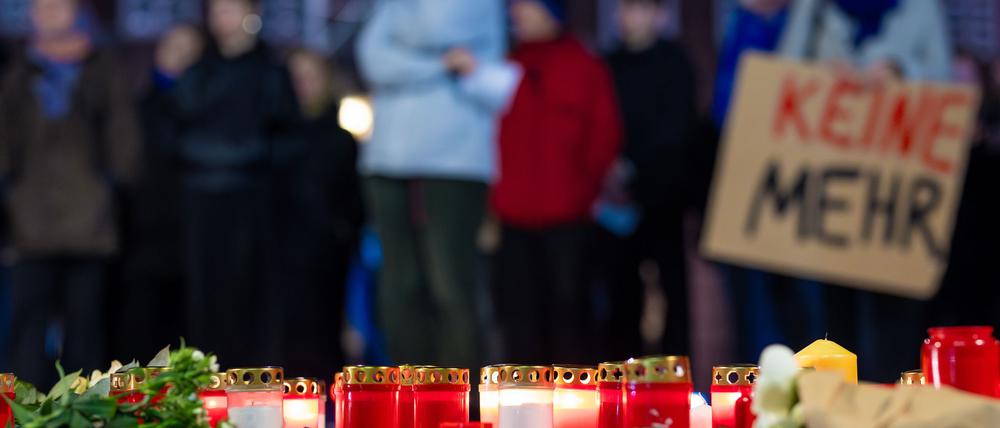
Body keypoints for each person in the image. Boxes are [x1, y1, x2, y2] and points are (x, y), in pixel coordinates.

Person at [777, 0, 952, 381]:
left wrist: (899, 72)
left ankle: (897, 402)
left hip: (894, 198)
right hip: (831, 192)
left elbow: (946, 79)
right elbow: (783, 71)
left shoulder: (922, 7)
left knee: (895, 319)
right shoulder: (813, 8)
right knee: (831, 318)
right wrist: (823, 77)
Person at [356, 0, 516, 367]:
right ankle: (408, 389)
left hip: (456, 164)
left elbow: (439, 26)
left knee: (451, 284)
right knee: (399, 284)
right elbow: (373, 60)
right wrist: (439, 64)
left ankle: (459, 392)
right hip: (387, 160)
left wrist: (405, 51)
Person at [0, 0, 139, 386]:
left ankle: (85, 406)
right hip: (30, 220)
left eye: (57, 5)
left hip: (89, 219)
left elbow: (124, 141)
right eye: (41, 7)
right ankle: (22, 406)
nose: (48, 13)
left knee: (85, 330)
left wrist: (111, 185)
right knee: (27, 328)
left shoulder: (102, 67)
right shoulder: (18, 70)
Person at [168, 0, 299, 366]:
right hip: (201, 200)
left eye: (230, 9)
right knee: (204, 296)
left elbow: (289, 137)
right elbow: (170, 129)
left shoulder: (271, 72)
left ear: (251, 13)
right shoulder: (197, 72)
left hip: (254, 202)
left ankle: (255, 382)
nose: (222, 18)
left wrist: (248, 155)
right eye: (216, 10)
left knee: (254, 295)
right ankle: (205, 378)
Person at [492, 0, 622, 364]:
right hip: (513, 217)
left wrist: (584, 189)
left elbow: (604, 133)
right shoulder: (503, 67)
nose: (517, 13)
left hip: (569, 217)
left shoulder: (583, 65)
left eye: (526, 5)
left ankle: (573, 396)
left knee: (570, 317)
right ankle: (522, 396)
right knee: (520, 318)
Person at [598, 0, 697, 357]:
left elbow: (677, 128)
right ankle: (623, 376)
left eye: (638, 8)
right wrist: (609, 167)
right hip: (615, 199)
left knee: (672, 290)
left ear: (659, 15)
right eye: (623, 9)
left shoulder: (675, 63)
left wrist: (634, 165)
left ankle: (675, 374)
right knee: (621, 294)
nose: (628, 17)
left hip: (663, 196)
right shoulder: (608, 64)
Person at [115, 24, 204, 359]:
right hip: (140, 238)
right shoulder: (134, 109)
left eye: (189, 52)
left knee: (184, 337)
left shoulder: (206, 114)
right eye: (173, 48)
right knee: (139, 330)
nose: (179, 58)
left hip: (191, 239)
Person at [276, 48, 363, 376]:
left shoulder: (341, 140)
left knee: (325, 328)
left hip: (327, 254)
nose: (303, 86)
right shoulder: (273, 138)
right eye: (296, 78)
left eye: (311, 77)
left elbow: (353, 200)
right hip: (280, 251)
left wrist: (341, 232)